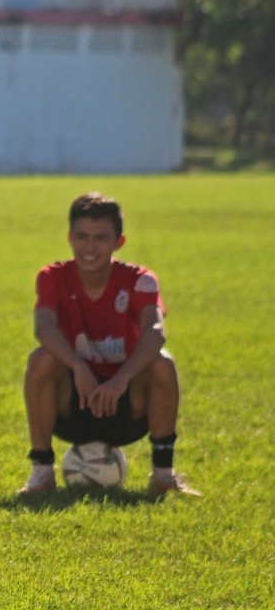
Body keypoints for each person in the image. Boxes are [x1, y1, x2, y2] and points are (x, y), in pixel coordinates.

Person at [19, 192, 198, 496]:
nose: (89, 248)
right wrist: (78, 368)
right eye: (81, 237)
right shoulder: (52, 277)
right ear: (69, 237)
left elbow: (155, 330)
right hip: (74, 403)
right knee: (40, 360)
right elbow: (43, 326)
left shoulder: (140, 280)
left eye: (101, 238)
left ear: (119, 242)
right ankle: (41, 474)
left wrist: (121, 379)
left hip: (127, 405)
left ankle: (163, 476)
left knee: (163, 363)